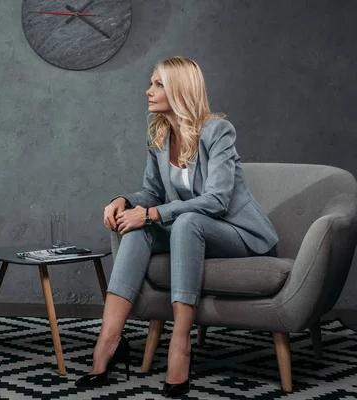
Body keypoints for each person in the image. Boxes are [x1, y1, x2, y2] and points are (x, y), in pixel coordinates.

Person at [74, 56, 279, 398]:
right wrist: (123, 200)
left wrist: (152, 213)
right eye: (151, 83)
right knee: (138, 228)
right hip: (194, 230)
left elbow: (217, 201)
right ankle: (108, 342)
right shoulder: (159, 136)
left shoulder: (217, 132)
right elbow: (152, 192)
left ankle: (180, 345)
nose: (147, 91)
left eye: (157, 84)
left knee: (183, 222)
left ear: (180, 90)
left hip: (239, 234)